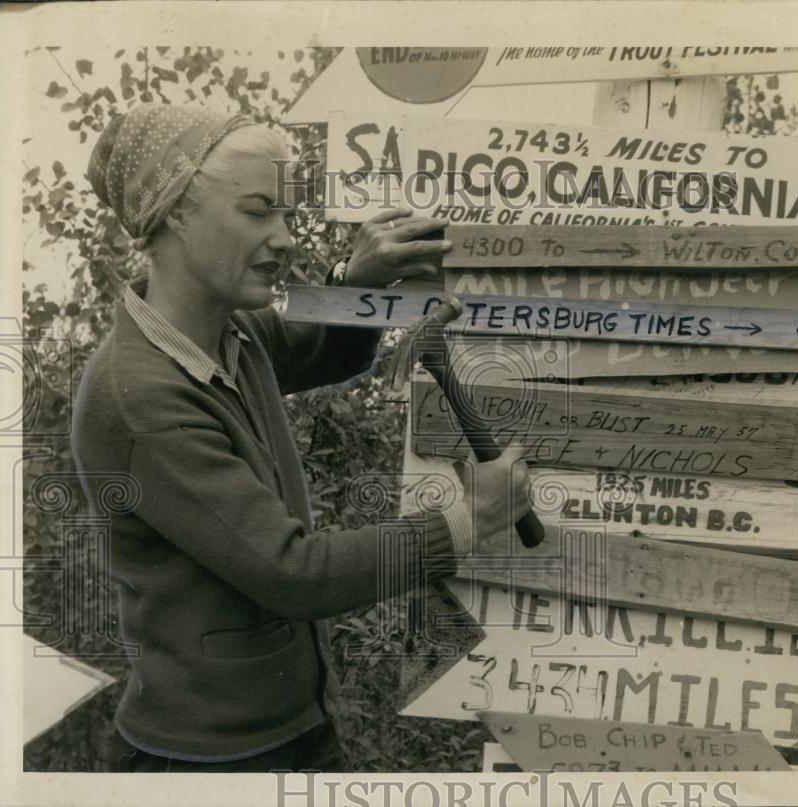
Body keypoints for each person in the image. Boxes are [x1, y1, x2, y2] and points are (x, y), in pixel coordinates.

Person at [72, 104, 531, 773]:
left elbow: (323, 350)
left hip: (289, 729)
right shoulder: (139, 396)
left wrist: (355, 286)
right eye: (259, 212)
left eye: (286, 214)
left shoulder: (229, 331)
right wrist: (467, 519)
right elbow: (294, 573)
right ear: (173, 212)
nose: (286, 237)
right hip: (209, 763)